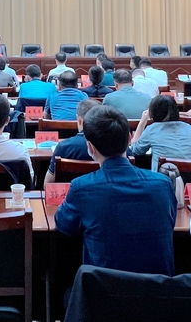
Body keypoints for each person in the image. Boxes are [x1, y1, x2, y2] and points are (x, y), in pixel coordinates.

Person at [55, 105, 177, 275]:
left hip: (105, 290)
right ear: (129, 139)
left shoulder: (82, 188)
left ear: (90, 148)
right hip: (158, 289)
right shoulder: (163, 184)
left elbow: (64, 225)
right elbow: (170, 221)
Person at [130, 95, 191, 170]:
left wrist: (142, 122)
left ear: (153, 112)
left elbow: (135, 150)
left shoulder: (151, 130)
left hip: (163, 176)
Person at [44, 99, 100, 186]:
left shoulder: (64, 147)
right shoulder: (114, 146)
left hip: (69, 193)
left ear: (79, 120)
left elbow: (47, 185)